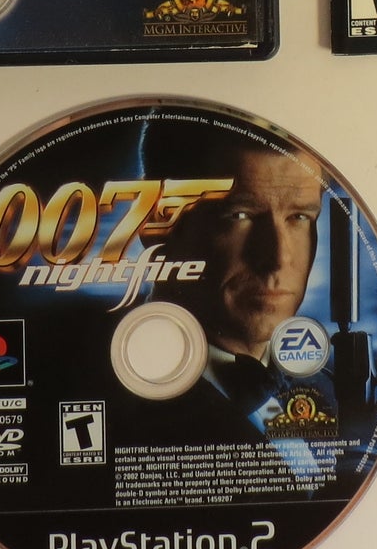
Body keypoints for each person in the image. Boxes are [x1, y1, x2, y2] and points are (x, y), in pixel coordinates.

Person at [144, 136, 341, 446]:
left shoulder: (333, 392)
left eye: (299, 217)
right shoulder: (106, 401)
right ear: (156, 227)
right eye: (239, 216)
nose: (278, 259)